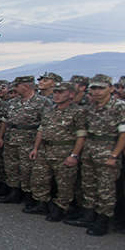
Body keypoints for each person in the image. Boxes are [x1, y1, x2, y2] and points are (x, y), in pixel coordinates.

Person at [64, 75, 125, 236]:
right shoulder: (90, 108)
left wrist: (114, 156)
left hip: (107, 153)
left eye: (101, 88)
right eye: (93, 88)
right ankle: (88, 215)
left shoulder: (119, 107)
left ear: (111, 89)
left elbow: (123, 134)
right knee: (88, 186)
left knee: (105, 189)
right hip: (90, 152)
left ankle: (102, 221)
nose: (96, 92)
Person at [25, 82, 87, 220]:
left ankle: (61, 208)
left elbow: (81, 135)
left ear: (71, 94)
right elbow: (41, 130)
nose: (56, 95)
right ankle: (42, 204)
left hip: (64, 151)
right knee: (38, 179)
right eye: (55, 92)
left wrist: (74, 155)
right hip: (45, 150)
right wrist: (36, 148)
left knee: (65, 183)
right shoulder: (49, 110)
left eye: (61, 92)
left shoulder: (78, 112)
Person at [0, 76, 53, 206]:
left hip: (29, 142)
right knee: (11, 168)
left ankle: (29, 197)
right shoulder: (13, 102)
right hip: (11, 140)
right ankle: (14, 193)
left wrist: (37, 147)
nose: (14, 89)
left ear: (26, 86)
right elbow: (5, 121)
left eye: (17, 86)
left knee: (27, 170)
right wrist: (0, 137)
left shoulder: (42, 102)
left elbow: (44, 126)